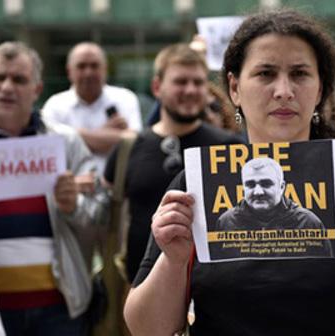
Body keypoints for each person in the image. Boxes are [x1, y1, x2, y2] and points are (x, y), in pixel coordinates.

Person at [123, 9, 335, 336]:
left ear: (320, 88)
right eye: (266, 73)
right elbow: (146, 328)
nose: (284, 90)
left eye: (299, 74)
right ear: (235, 88)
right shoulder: (197, 186)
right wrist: (174, 260)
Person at [0, 41, 106, 335]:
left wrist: (72, 206)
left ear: (37, 89)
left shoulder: (66, 143)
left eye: (19, 79)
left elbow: (101, 214)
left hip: (58, 310)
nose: (7, 87)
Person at [104, 43, 244, 284]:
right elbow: (108, 215)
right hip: (138, 293)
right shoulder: (128, 148)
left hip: (209, 292)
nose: (190, 90)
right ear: (157, 87)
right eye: (180, 82)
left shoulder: (230, 148)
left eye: (198, 82)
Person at [43, 42, 142, 173]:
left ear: (105, 69)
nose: (88, 73)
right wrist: (107, 134)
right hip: (71, 190)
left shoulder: (124, 98)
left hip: (118, 189)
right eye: (81, 66)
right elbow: (49, 150)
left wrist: (73, 135)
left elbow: (133, 144)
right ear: (69, 71)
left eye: (94, 66)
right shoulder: (55, 105)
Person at [214, 157, 332, 258]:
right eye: (250, 185)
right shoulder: (226, 222)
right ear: (243, 188)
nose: (258, 192)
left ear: (282, 187)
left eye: (266, 184)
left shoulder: (308, 223)